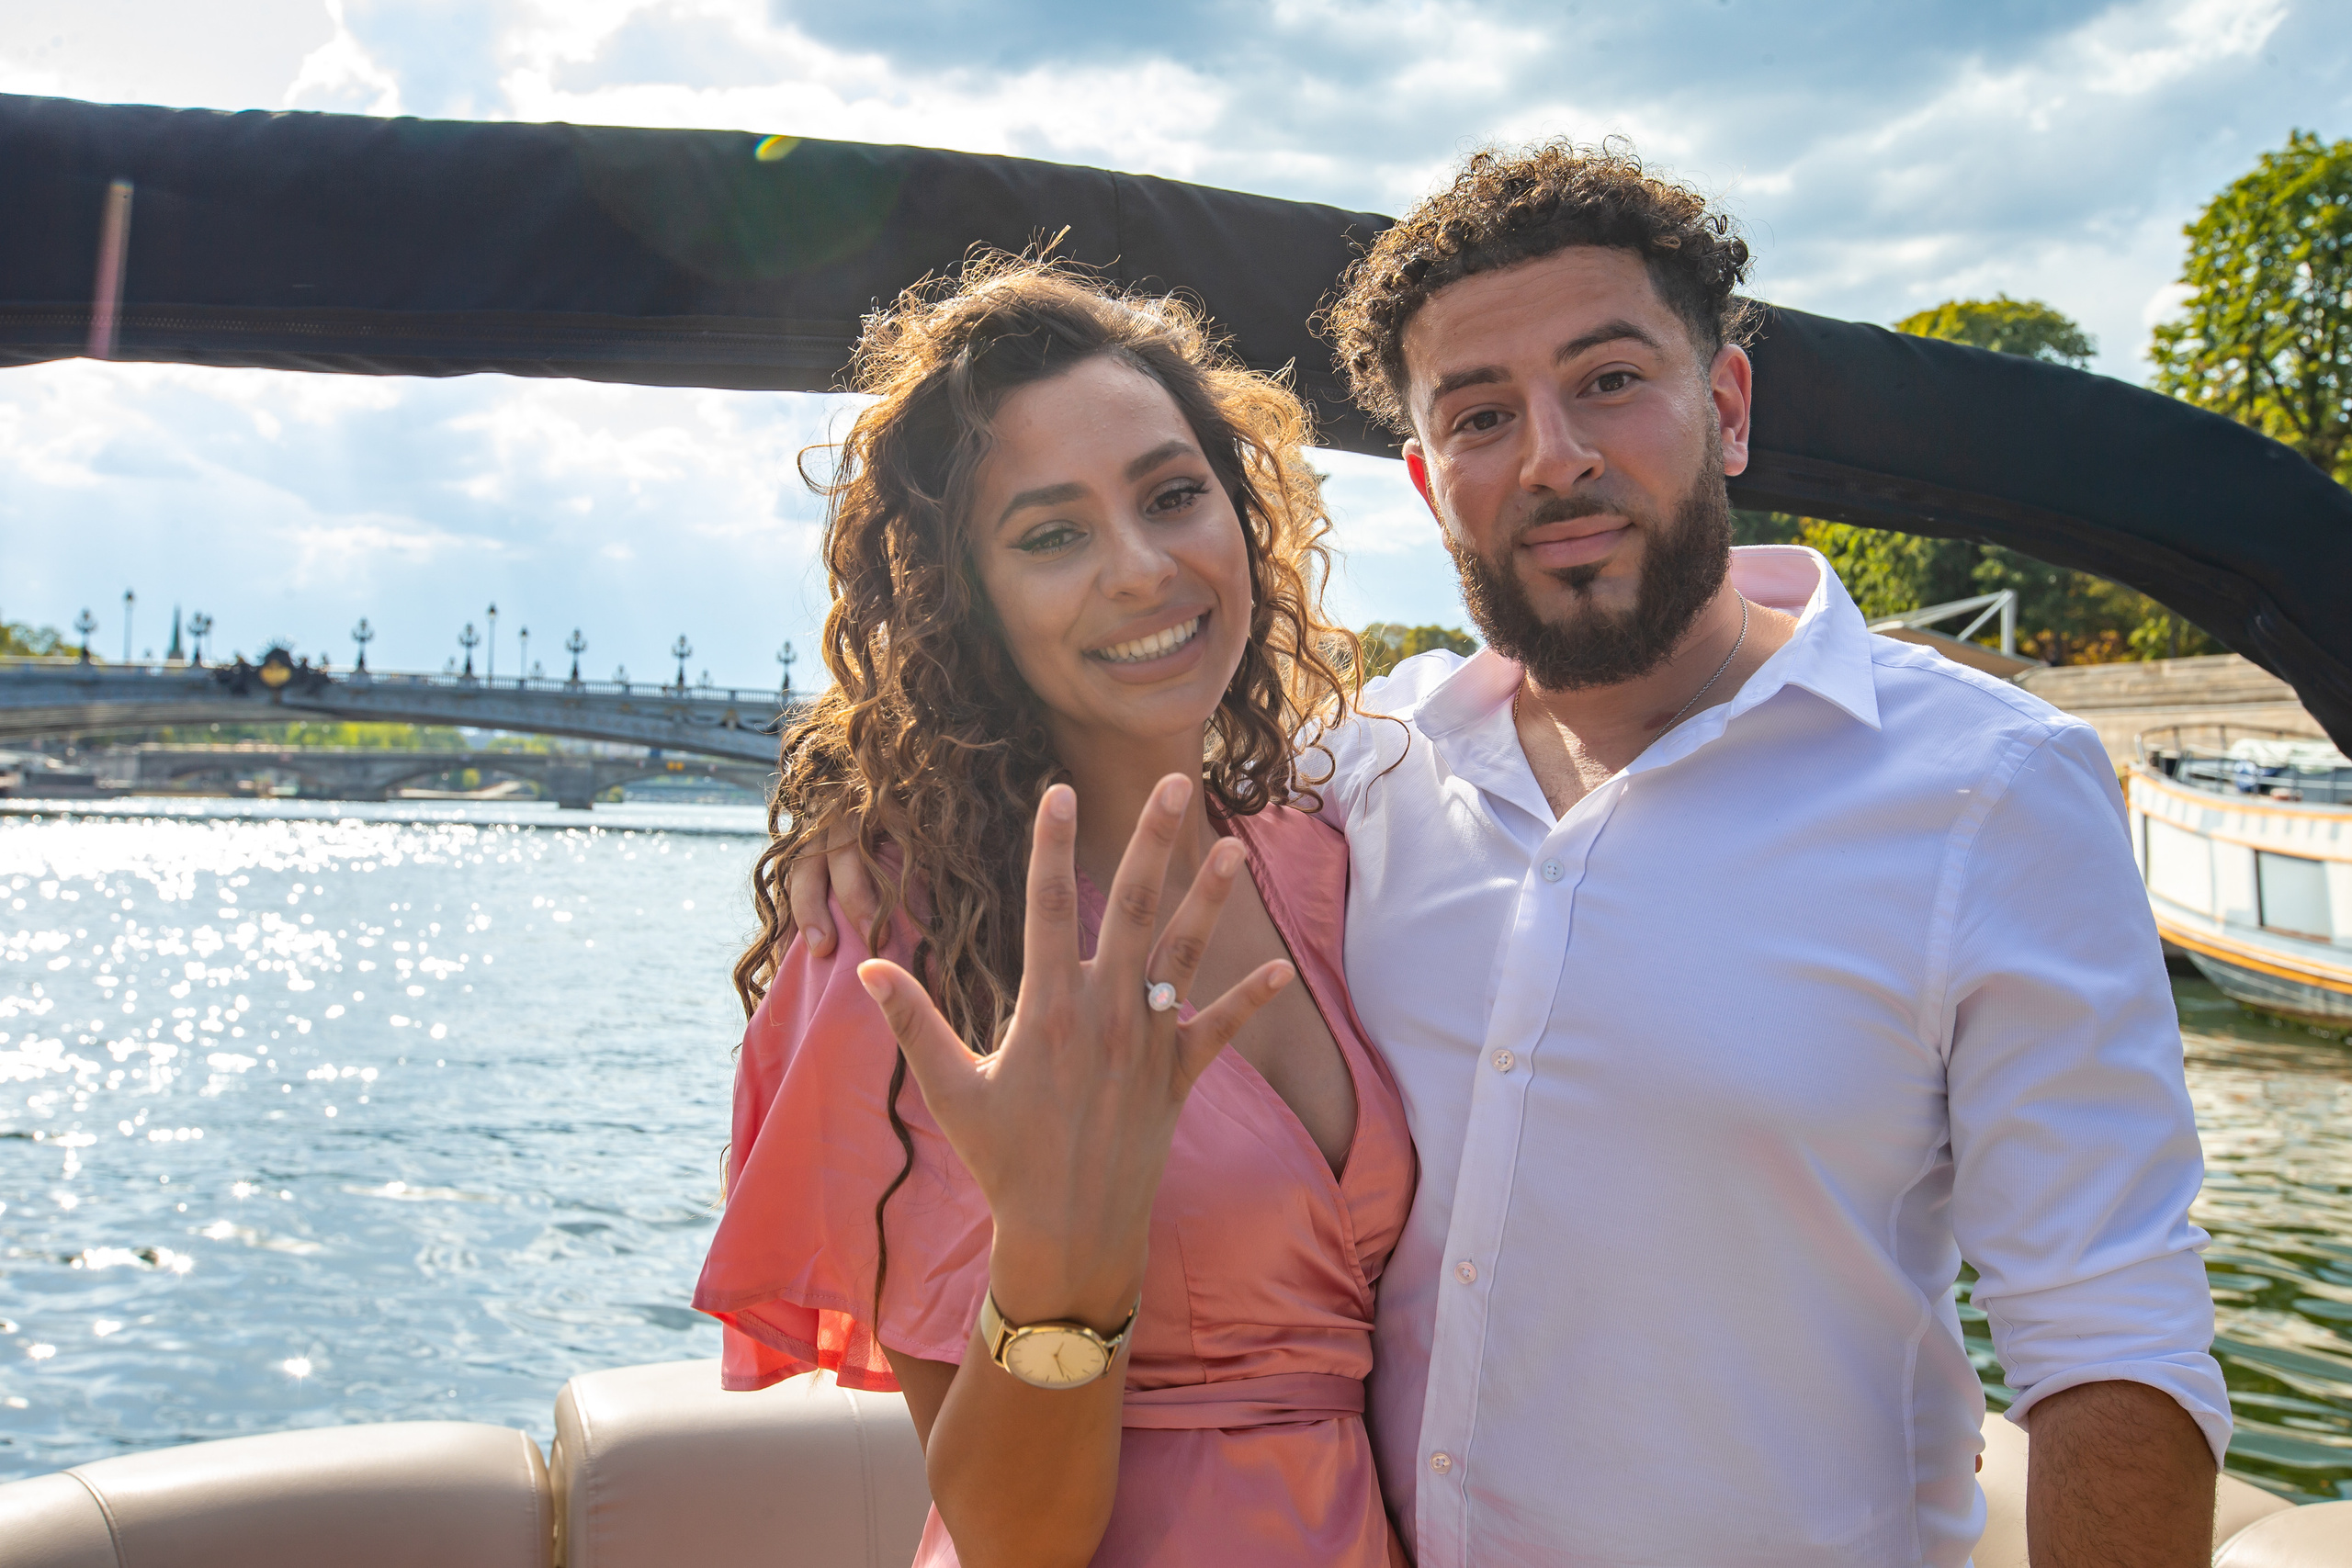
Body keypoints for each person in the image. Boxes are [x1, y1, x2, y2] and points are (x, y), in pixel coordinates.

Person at [792, 142, 2230, 1567]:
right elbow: (1086, 735)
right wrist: (861, 801)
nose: (1555, 457)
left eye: (1610, 380)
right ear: (1427, 480)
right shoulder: (1368, 773)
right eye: (1482, 415)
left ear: (1725, 405)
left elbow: (2112, 1333)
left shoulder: (1986, 787)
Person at [694, 261, 1418, 1568]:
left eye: (1174, 495)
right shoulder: (905, 948)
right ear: (962, 601)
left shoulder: (1333, 859)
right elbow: (1007, 1537)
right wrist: (1064, 1249)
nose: (1144, 569)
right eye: (1051, 534)